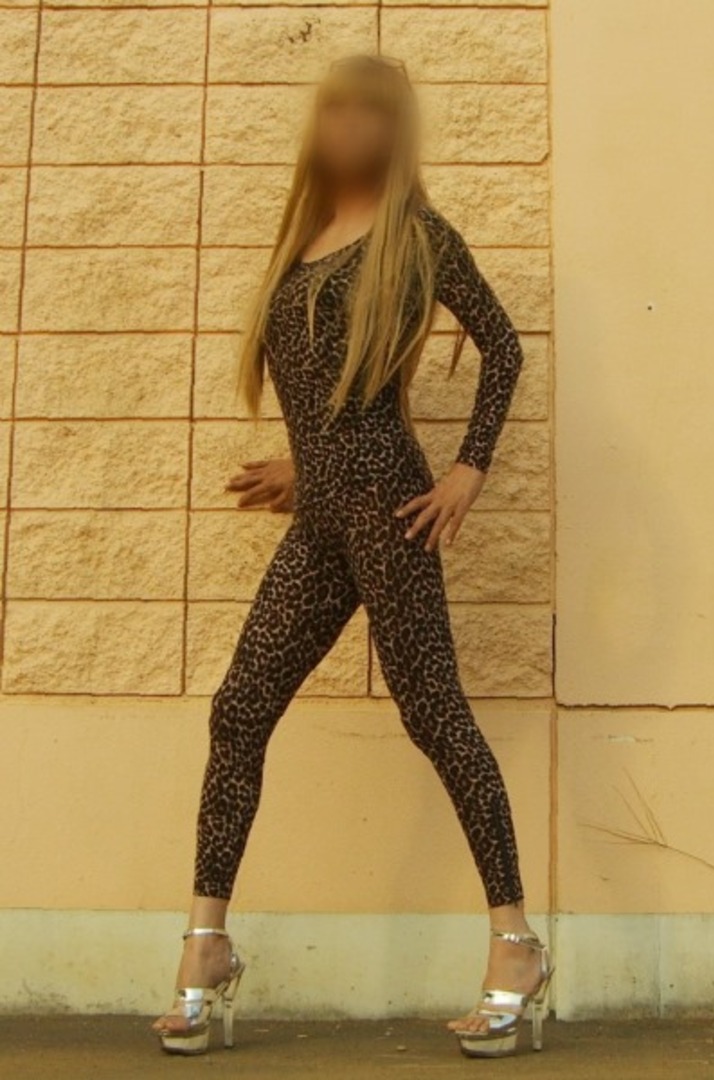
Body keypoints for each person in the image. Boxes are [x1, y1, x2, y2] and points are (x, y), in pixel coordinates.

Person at [153, 53, 552, 1060]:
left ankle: (516, 946)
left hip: (387, 509)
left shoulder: (417, 235)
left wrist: (468, 469)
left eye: (372, 115)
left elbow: (503, 347)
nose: (350, 129)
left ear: (395, 130)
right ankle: (206, 944)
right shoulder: (307, 234)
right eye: (337, 110)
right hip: (325, 513)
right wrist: (306, 464)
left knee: (434, 714)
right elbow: (332, 385)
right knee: (238, 710)